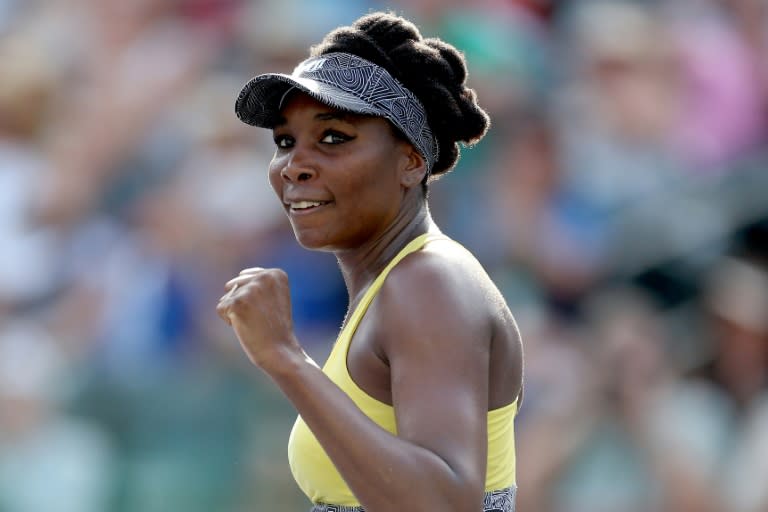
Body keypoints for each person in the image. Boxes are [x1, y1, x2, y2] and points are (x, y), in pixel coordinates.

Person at [216, 11, 524, 512]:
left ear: (410, 160)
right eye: (284, 142)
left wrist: (286, 360)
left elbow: (445, 504)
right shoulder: (398, 282)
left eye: (334, 137)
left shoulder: (429, 282)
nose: (295, 164)